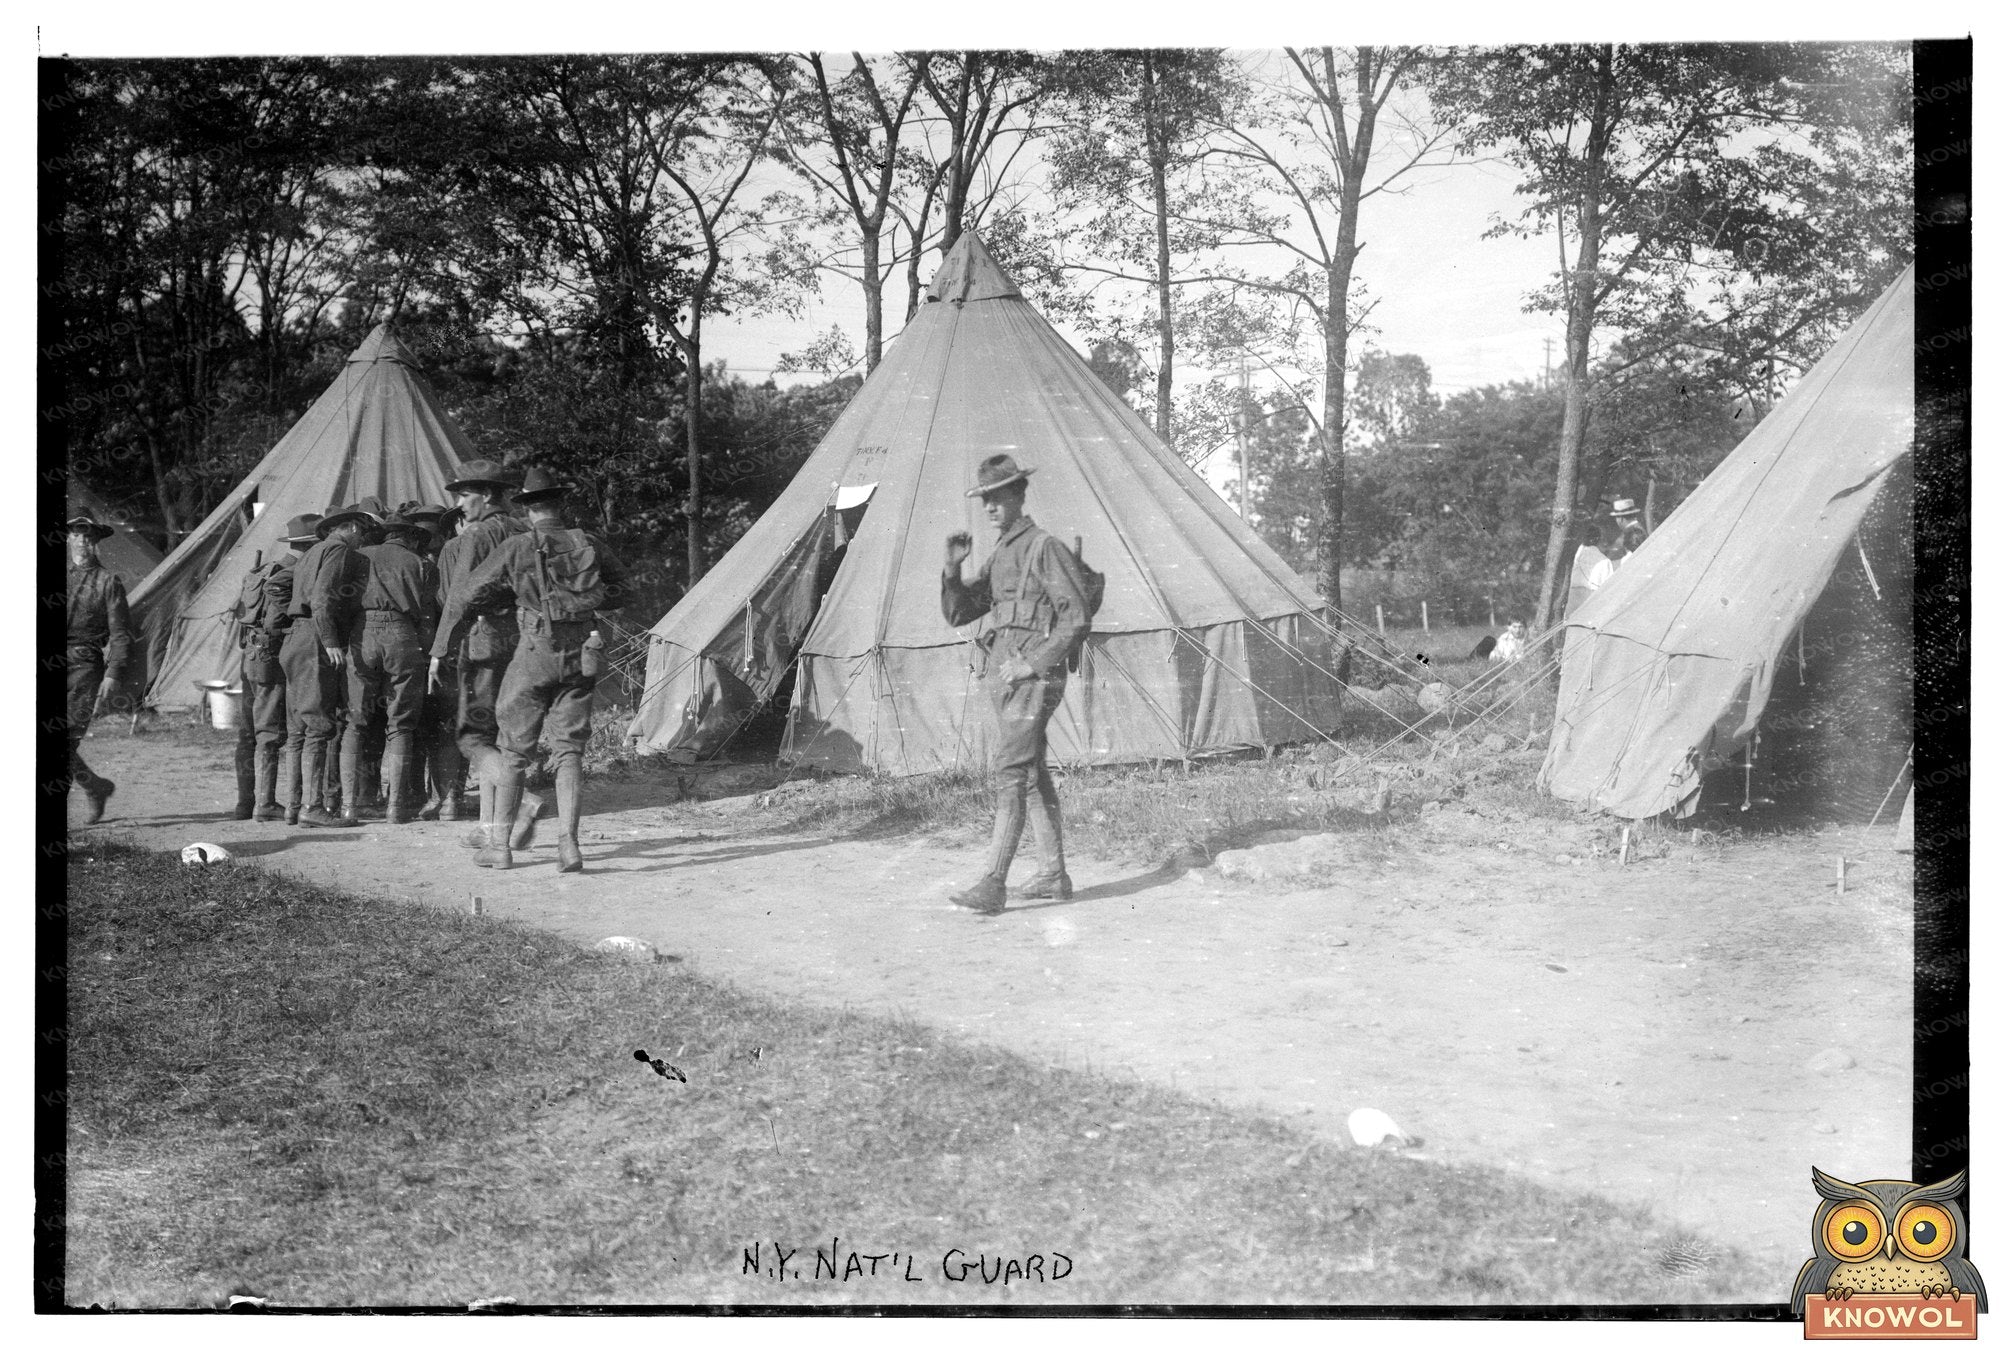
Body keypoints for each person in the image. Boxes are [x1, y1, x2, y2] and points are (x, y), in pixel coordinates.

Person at [437, 467, 630, 872]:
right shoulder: (587, 541)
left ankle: (501, 848)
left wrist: (513, 593)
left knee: (513, 749)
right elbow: (626, 591)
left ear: (526, 508)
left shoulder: (519, 546)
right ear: (560, 504)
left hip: (533, 650)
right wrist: (582, 604)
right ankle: (569, 846)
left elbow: (468, 593)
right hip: (582, 652)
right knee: (569, 751)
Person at [939, 454, 1093, 914]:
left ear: (1018, 495)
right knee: (1028, 772)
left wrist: (1033, 663)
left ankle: (993, 883)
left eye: (997, 497)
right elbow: (960, 613)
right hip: (1005, 678)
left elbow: (1076, 617)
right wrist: (952, 570)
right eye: (984, 499)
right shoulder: (1004, 551)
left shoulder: (1044, 547)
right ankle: (1052, 874)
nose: (988, 507)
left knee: (1010, 770)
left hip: (1032, 678)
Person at [428, 461, 546, 853]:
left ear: (488, 495)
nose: (460, 505)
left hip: (483, 640)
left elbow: (460, 596)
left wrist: (439, 650)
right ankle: (489, 827)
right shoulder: (523, 529)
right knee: (501, 735)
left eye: (464, 495)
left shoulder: (479, 533)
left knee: (471, 737)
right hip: (523, 638)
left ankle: (524, 802)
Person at [284, 498, 381, 828]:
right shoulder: (339, 551)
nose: (362, 540)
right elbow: (322, 600)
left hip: (298, 636)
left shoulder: (312, 551)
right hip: (314, 637)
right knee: (319, 725)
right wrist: (331, 641)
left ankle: (301, 805)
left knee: (307, 723)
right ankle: (313, 807)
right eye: (361, 533)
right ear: (351, 528)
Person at [346, 508, 438, 824]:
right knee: (401, 724)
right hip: (403, 634)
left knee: (355, 721)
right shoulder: (421, 564)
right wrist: (424, 654)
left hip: (362, 634)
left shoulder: (359, 555)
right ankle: (396, 807)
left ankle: (350, 806)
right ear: (410, 537)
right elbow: (427, 617)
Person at [234, 515, 319, 822]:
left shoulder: (265, 568)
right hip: (272, 655)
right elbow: (274, 621)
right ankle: (265, 803)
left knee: (253, 730)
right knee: (270, 731)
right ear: (312, 544)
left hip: (252, 657)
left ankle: (251, 802)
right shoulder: (294, 572)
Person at [64, 510, 133, 825]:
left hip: (84, 667)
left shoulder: (109, 582)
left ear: (97, 542)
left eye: (88, 535)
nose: (82, 541)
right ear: (68, 538)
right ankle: (95, 786)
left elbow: (120, 634)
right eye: (77, 534)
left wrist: (113, 673)